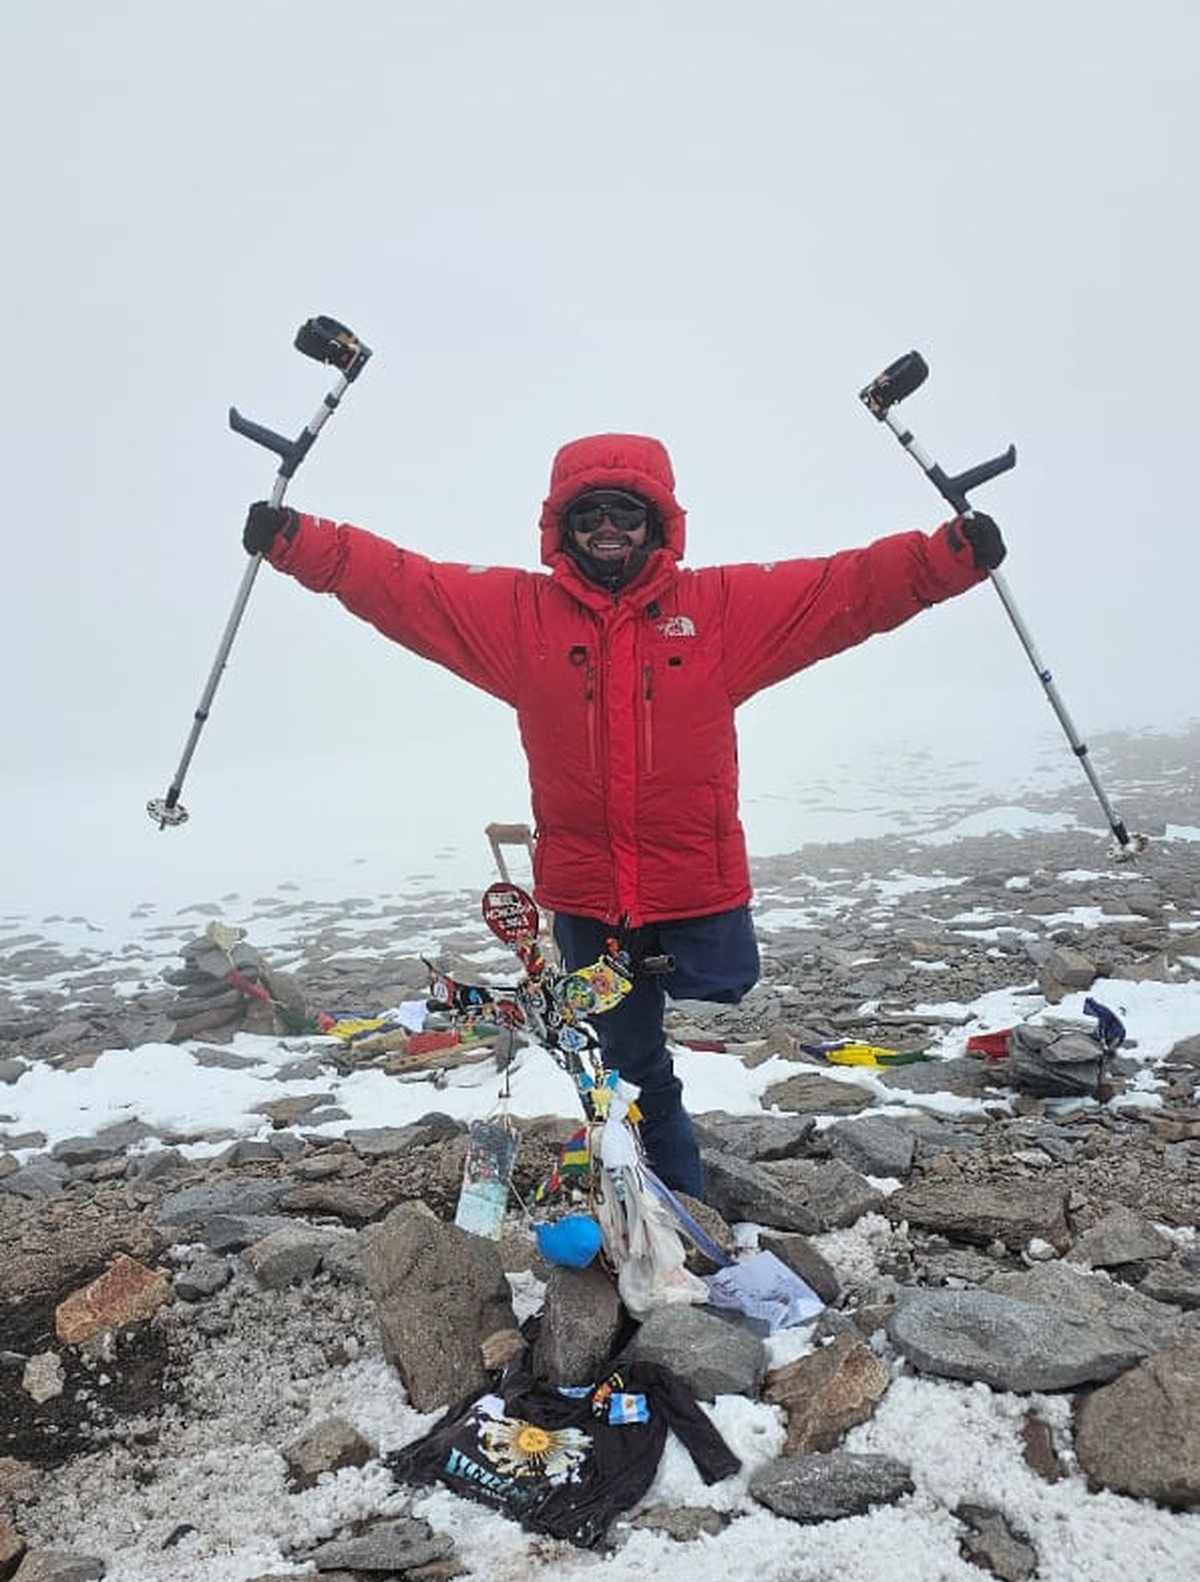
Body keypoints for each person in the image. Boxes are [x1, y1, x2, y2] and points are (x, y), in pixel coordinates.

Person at [243, 432, 1003, 1200]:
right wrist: (299, 542)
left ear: (658, 522)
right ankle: (670, 1199)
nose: (607, 527)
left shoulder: (716, 611)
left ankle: (658, 1145)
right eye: (589, 513)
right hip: (588, 899)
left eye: (626, 513)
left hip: (696, 889)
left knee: (726, 989)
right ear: (562, 527)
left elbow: (846, 589)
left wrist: (947, 558)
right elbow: (408, 587)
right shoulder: (522, 619)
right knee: (627, 1064)